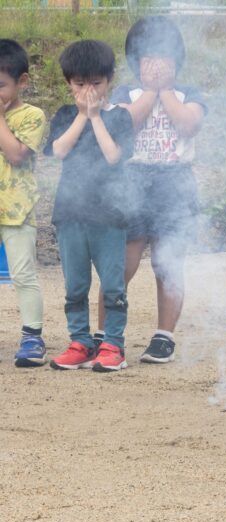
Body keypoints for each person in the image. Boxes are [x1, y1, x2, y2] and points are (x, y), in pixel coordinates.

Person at [97, 16, 206, 363]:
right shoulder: (123, 94)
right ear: (134, 62)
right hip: (133, 182)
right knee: (122, 265)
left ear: (178, 60)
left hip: (175, 184)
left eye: (165, 57)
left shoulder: (189, 94)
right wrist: (150, 91)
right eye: (147, 58)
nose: (156, 65)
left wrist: (165, 92)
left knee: (168, 264)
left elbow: (189, 125)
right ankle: (105, 334)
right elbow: (127, 123)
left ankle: (164, 336)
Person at [44, 40, 135, 372]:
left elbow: (113, 156)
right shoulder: (66, 115)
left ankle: (113, 344)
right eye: (80, 84)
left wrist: (96, 116)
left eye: (96, 83)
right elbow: (59, 151)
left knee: (113, 285)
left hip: (110, 215)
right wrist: (83, 115)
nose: (88, 90)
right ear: (69, 84)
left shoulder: (121, 117)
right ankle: (80, 341)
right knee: (75, 285)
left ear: (110, 79)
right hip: (70, 213)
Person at [0, 39, 47, 367]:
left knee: (23, 274)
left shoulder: (33, 116)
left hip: (17, 211)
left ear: (23, 82)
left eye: (0, 85)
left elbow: (16, 154)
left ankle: (33, 337)